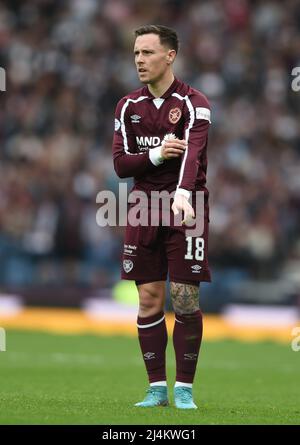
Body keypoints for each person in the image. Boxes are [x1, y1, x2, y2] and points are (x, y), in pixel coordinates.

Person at [112, 25, 211, 409]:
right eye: (136, 52)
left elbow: (193, 153)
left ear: (170, 56)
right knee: (149, 300)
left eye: (148, 52)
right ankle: (157, 387)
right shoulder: (126, 106)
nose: (140, 59)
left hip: (188, 206)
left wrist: (184, 194)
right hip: (143, 206)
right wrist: (155, 156)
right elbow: (121, 165)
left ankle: (184, 387)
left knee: (185, 299)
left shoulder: (193, 102)